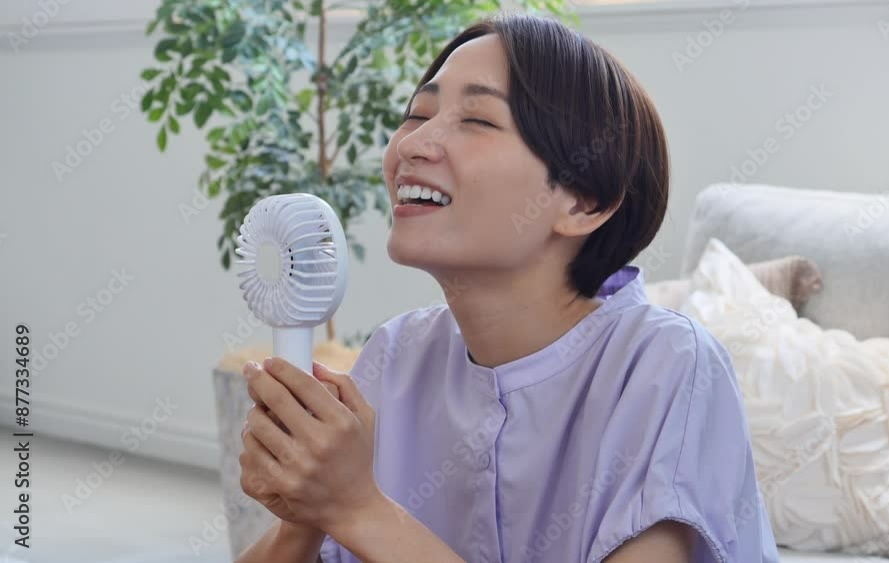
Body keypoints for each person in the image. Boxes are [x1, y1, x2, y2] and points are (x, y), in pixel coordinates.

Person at [236, 11, 779, 563]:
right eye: (418, 114)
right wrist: (305, 514)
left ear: (582, 201)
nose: (414, 143)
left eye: (477, 120)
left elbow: (359, 510)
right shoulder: (397, 355)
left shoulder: (668, 364)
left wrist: (359, 509)